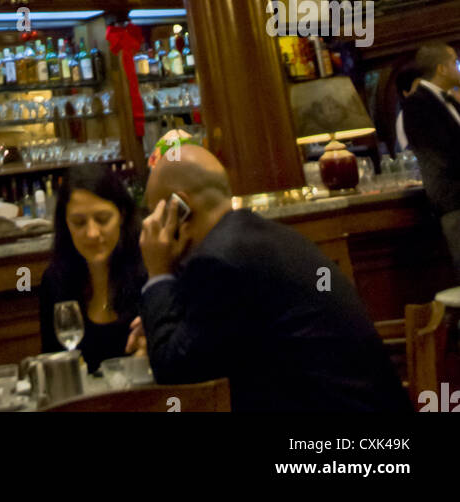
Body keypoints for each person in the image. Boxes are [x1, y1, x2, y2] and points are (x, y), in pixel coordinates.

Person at [130, 144, 411, 412]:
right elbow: (210, 344)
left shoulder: (220, 261)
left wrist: (158, 273)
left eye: (155, 215)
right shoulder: (251, 239)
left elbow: (177, 373)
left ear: (180, 209)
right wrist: (166, 321)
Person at [38, 165, 146, 374]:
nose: (92, 233)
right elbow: (51, 363)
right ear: (65, 224)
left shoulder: (149, 270)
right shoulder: (55, 281)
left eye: (102, 219)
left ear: (122, 215)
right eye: (79, 223)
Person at [402, 41, 460, 277]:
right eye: (455, 63)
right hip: (454, 201)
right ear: (442, 69)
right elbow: (441, 155)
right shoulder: (417, 105)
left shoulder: (451, 101)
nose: (458, 68)